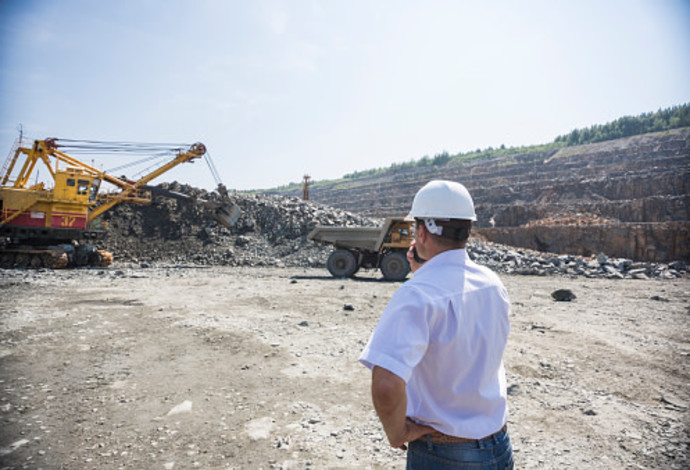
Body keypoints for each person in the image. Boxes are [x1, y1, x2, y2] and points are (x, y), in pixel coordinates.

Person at [359, 179, 513, 469]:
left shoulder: (417, 295)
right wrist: (425, 272)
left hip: (445, 454)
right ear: (467, 229)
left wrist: (397, 433)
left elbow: (386, 384)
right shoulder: (493, 284)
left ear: (421, 232)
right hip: (499, 447)